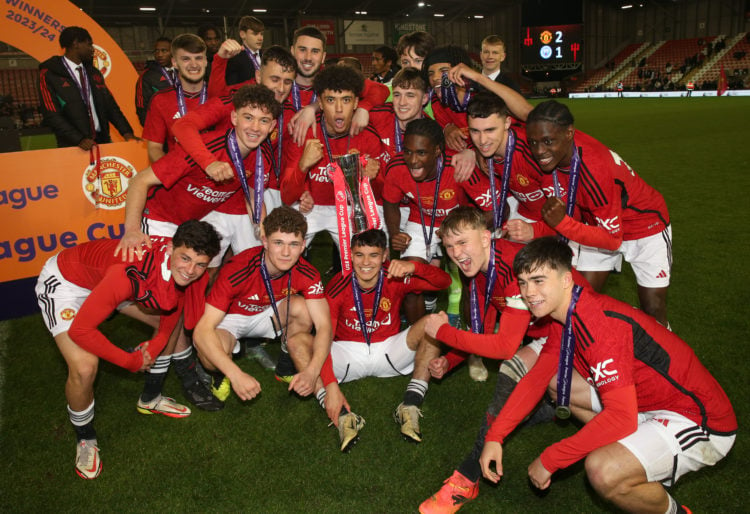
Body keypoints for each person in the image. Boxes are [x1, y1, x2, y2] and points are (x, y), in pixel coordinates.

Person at [479, 237, 736, 514]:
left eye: (539, 281)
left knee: (603, 470)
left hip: (697, 418)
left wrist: (551, 458)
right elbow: (537, 379)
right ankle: (638, 452)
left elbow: (622, 417)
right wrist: (496, 435)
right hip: (643, 401)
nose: (529, 292)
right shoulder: (563, 316)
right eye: (523, 282)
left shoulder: (597, 325)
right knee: (558, 384)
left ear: (566, 280)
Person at [116, 85, 279, 410]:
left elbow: (248, 192)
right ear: (233, 117)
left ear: (273, 126)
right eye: (247, 117)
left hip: (188, 230)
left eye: (263, 121)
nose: (254, 127)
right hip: (160, 222)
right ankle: (167, 383)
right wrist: (132, 230)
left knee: (184, 307)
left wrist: (260, 223)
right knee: (171, 311)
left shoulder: (259, 157)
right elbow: (140, 181)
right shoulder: (205, 147)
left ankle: (176, 362)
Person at [35, 220, 221, 479]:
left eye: (200, 264)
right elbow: (81, 330)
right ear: (169, 248)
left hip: (107, 281)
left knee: (168, 321)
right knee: (85, 367)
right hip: (67, 283)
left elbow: (173, 309)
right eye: (186, 259)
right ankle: (85, 438)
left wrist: (155, 346)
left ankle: (150, 399)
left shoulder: (182, 270)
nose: (190, 270)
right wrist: (130, 361)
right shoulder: (129, 272)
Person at [508, 100, 672, 326]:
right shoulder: (557, 131)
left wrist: (562, 223)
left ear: (569, 134)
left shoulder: (594, 168)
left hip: (644, 225)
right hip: (594, 224)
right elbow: (524, 113)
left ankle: (664, 358)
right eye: (533, 142)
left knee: (652, 306)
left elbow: (613, 240)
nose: (539, 151)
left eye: (547, 142)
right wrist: (479, 78)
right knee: (579, 301)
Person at [289, 228, 451, 450]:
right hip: (347, 353)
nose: (366, 262)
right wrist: (331, 385)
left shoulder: (396, 277)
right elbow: (324, 337)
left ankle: (410, 404)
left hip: (390, 350)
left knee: (433, 321)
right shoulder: (338, 285)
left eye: (373, 255)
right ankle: (342, 415)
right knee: (296, 341)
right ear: (350, 256)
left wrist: (413, 266)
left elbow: (444, 282)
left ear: (385, 256)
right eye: (359, 255)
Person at [192, 206, 331, 417]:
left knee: (304, 309)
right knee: (210, 352)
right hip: (231, 319)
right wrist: (235, 374)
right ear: (264, 241)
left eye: (293, 244)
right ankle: (219, 374)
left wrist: (312, 372)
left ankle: (286, 365)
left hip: (269, 311)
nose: (286, 253)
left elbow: (324, 327)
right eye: (278, 243)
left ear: (303, 245)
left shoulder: (307, 272)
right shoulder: (238, 267)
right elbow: (201, 330)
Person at [280, 65, 387, 250]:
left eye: (346, 100)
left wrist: (373, 178)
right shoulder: (305, 132)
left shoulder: (367, 135)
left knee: (370, 249)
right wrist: (303, 166)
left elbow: (380, 195)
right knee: (282, 241)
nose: (338, 109)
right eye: (330, 100)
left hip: (352, 206)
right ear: (320, 104)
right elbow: (287, 196)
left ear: (355, 103)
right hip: (311, 207)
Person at [382, 118, 464, 324]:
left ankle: (468, 327)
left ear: (437, 151)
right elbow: (390, 203)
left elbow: (482, 209)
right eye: (408, 151)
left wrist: (455, 228)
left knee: (472, 280)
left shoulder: (457, 166)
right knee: (409, 282)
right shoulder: (397, 167)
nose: (412, 160)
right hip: (422, 222)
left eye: (421, 153)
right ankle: (418, 339)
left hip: (459, 223)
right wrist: (395, 234)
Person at [38, 26, 134, 149]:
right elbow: (51, 114)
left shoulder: (94, 73)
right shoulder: (49, 74)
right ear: (76, 43)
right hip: (72, 146)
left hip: (102, 141)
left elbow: (110, 106)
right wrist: (79, 139)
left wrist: (126, 132)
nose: (92, 49)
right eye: (89, 45)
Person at [142, 33, 208, 162]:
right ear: (174, 62)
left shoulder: (218, 96)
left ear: (205, 61)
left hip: (217, 177)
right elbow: (154, 148)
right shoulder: (160, 100)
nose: (194, 64)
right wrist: (172, 173)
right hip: (180, 177)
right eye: (186, 59)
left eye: (199, 58)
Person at [422, 45, 474, 152]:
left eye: (443, 70)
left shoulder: (484, 99)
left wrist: (473, 152)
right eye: (430, 73)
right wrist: (445, 128)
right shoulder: (435, 104)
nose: (435, 78)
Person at [135, 37, 174, 125]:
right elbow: (142, 108)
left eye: (164, 51)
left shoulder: (185, 72)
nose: (159, 54)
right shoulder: (147, 77)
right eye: (156, 51)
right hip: (161, 129)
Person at [224, 16, 264, 87]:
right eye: (255, 34)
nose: (260, 38)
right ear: (242, 34)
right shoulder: (234, 58)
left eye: (261, 34)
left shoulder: (267, 56)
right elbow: (232, 88)